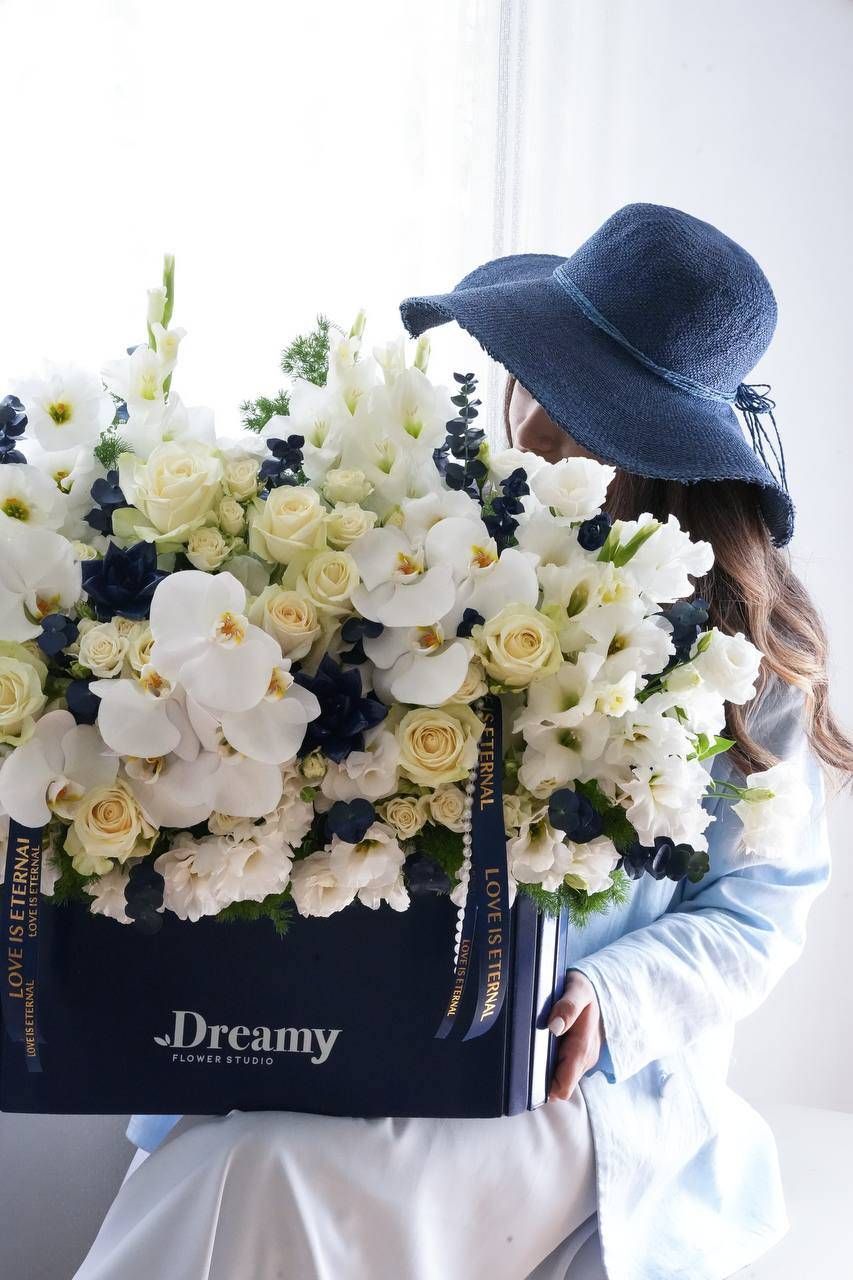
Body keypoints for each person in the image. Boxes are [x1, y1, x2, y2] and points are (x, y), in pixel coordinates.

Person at [75, 204, 852, 1280]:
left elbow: (761, 909)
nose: (537, 431)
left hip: (562, 1077)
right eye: (537, 380)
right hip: (351, 1029)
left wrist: (611, 997)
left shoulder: (740, 651)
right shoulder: (419, 533)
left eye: (587, 414)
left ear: (672, 453)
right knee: (227, 1160)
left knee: (266, 1173)